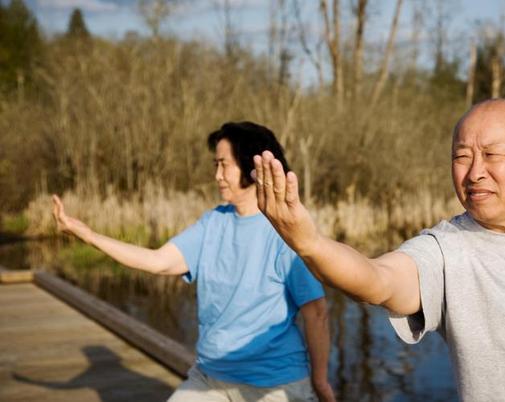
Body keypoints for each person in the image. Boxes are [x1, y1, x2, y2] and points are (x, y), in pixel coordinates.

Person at [253, 99, 505, 400]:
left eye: (492, 155)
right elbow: (377, 281)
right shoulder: (444, 251)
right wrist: (310, 243)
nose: (474, 172)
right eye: (461, 156)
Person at [52, 122, 335, 402]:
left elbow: (316, 313)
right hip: (211, 377)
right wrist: (88, 235)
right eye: (216, 165)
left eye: (224, 164)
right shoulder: (213, 222)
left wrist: (320, 381)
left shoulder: (285, 232)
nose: (217, 175)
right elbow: (157, 261)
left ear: (251, 164)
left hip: (274, 384)